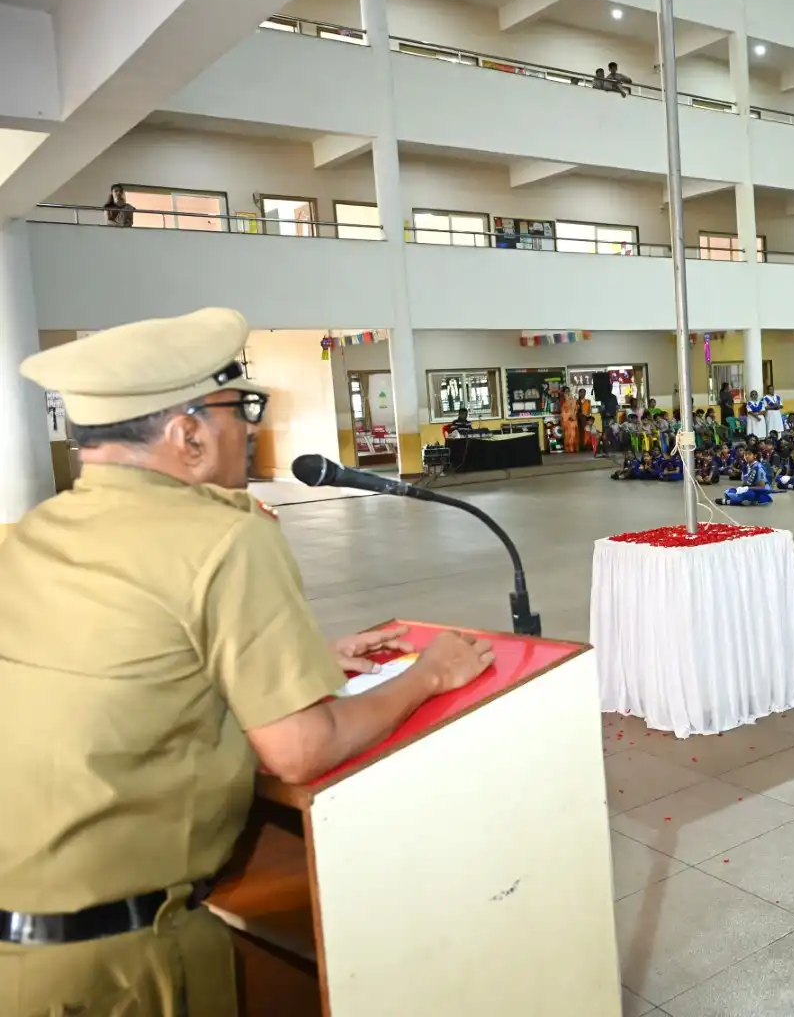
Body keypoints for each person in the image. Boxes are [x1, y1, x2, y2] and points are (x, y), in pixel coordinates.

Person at [1, 308, 496, 1016]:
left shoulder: (34, 533)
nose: (253, 428)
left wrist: (304, 660)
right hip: (120, 969)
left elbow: (125, 671)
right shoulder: (221, 536)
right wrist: (430, 674)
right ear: (189, 434)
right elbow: (301, 749)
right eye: (241, 408)